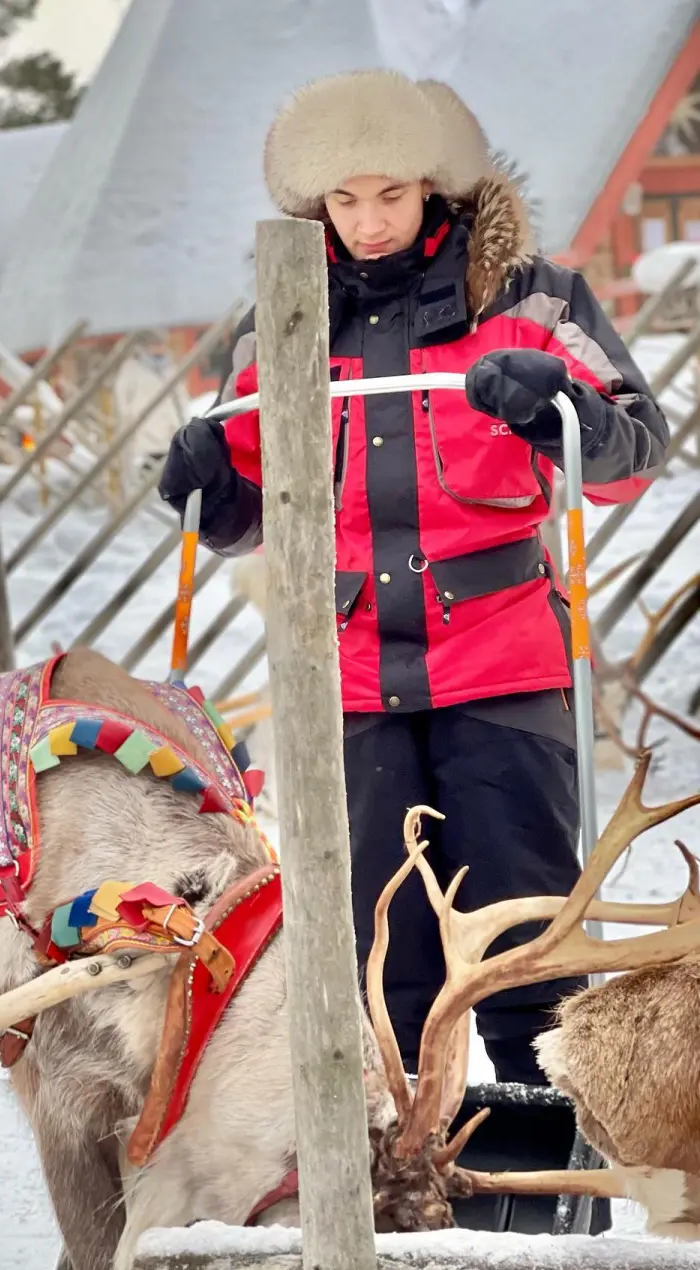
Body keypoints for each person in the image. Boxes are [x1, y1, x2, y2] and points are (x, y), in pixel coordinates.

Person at [158, 70, 669, 1085]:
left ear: (435, 185)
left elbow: (633, 454)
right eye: (343, 202)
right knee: (378, 959)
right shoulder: (281, 320)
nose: (369, 221)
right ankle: (397, 1175)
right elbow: (247, 507)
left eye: (389, 194)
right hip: (348, 685)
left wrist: (554, 405)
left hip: (505, 663)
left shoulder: (534, 297)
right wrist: (207, 487)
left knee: (525, 944)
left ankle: (555, 1167)